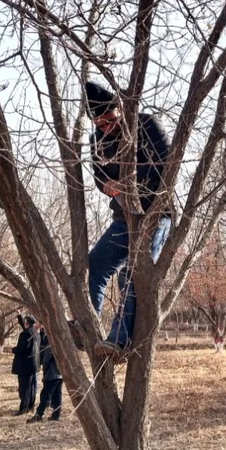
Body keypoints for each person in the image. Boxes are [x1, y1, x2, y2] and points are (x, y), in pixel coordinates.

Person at [76, 80, 171, 363]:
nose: (106, 128)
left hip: (155, 215)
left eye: (109, 120)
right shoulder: (97, 140)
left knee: (131, 272)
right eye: (99, 124)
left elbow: (166, 167)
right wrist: (109, 187)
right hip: (123, 219)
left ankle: (119, 340)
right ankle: (87, 328)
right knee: (96, 263)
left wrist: (130, 185)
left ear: (119, 106)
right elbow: (99, 178)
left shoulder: (147, 125)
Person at [28, 325, 63, 423]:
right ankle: (56, 415)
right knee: (57, 395)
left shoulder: (51, 340)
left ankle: (38, 415)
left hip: (52, 373)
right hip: (60, 373)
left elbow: (46, 358)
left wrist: (45, 370)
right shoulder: (60, 339)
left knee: (45, 395)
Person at [11, 314, 40, 415]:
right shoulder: (35, 332)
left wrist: (13, 350)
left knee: (24, 389)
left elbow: (23, 348)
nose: (23, 323)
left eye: (24, 321)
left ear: (27, 322)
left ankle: (23, 408)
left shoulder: (27, 334)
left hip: (24, 365)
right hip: (33, 365)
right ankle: (30, 407)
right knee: (31, 388)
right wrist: (19, 317)